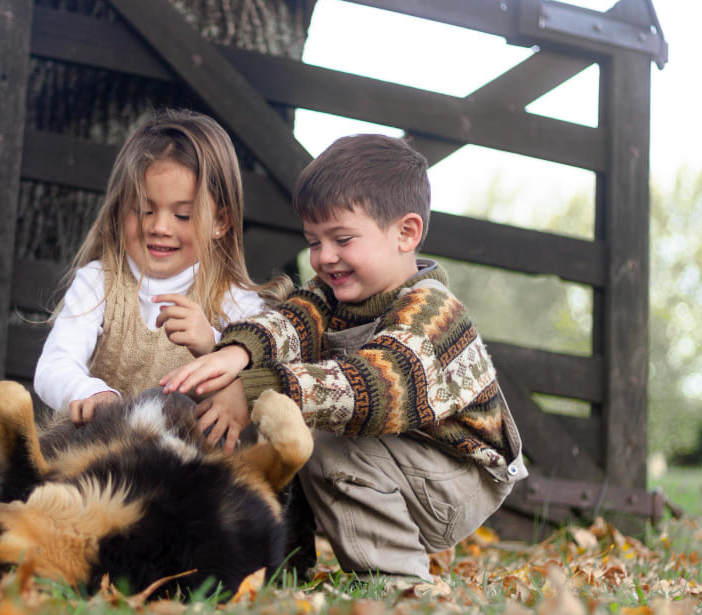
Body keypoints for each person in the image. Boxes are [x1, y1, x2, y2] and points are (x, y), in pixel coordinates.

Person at [160, 134, 527, 581]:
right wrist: (237, 355)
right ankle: (280, 567)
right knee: (289, 426)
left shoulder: (433, 313)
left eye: (342, 239)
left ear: (406, 233)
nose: (324, 257)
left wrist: (254, 390)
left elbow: (370, 388)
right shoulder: (331, 296)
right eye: (313, 242)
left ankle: (398, 585)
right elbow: (291, 323)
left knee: (321, 436)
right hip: (402, 458)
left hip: (458, 478)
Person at [34, 109, 280, 441]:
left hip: (186, 466)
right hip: (102, 455)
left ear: (220, 222)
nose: (159, 227)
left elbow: (266, 379)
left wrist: (213, 347)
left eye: (183, 215)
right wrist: (85, 390)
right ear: (121, 207)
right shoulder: (99, 282)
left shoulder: (233, 299)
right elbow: (54, 364)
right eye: (143, 210)